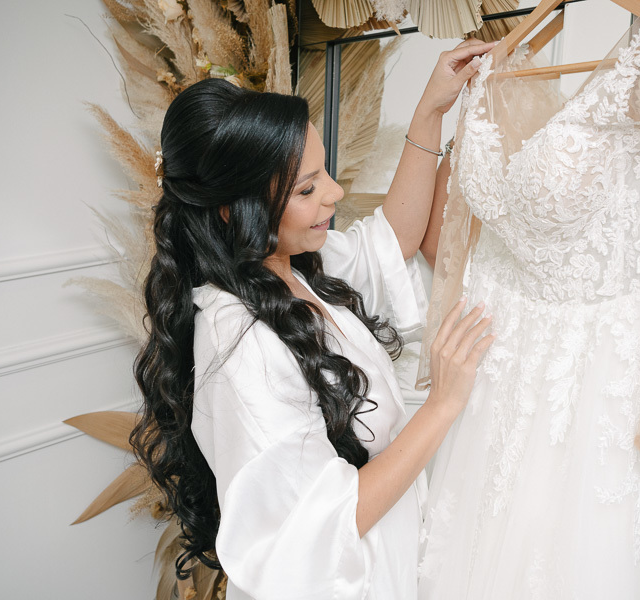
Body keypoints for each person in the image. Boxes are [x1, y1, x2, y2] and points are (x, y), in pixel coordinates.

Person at [131, 39, 497, 599]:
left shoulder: (285, 267)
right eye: (308, 188)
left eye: (322, 171)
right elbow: (319, 526)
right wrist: (444, 405)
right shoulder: (240, 347)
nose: (336, 192)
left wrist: (430, 110)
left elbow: (388, 242)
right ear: (234, 208)